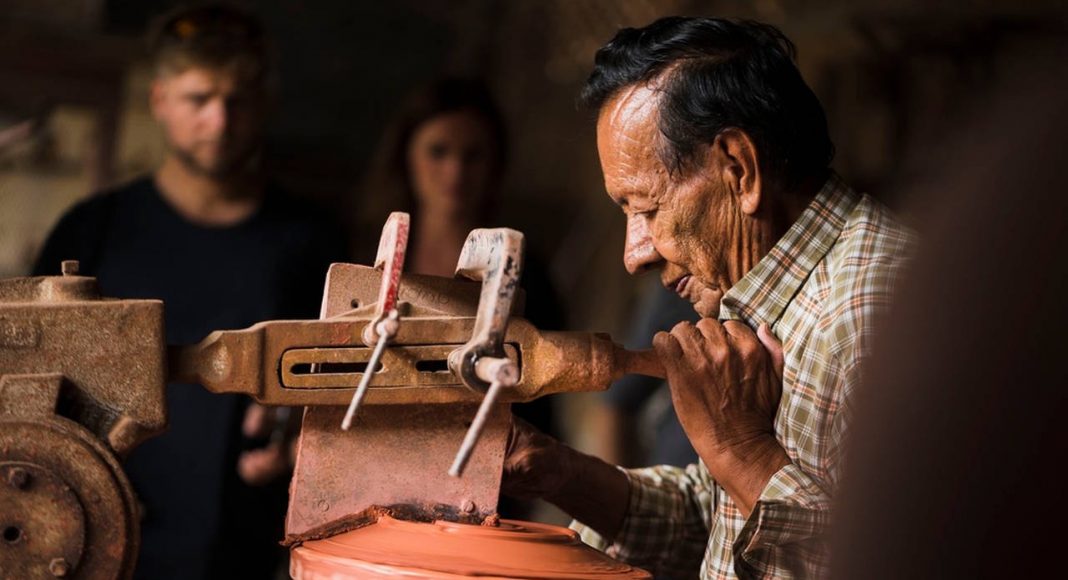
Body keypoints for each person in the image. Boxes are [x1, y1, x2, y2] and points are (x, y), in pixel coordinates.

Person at [501, 17, 914, 578]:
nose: (634, 255)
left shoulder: (877, 312)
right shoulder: (772, 298)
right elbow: (724, 515)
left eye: (646, 208)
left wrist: (740, 449)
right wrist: (559, 473)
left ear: (739, 170)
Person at [33, 4, 348, 578]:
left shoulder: (313, 242)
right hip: (95, 539)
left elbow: (343, 380)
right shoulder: (94, 229)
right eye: (199, 99)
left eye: (237, 100)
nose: (219, 121)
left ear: (265, 104)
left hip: (255, 549)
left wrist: (301, 434)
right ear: (160, 101)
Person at [361, 78, 565, 518]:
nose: (455, 172)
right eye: (438, 151)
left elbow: (543, 400)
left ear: (495, 164)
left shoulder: (529, 273)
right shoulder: (364, 260)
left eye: (472, 156)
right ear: (406, 155)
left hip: (490, 490)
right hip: (373, 476)